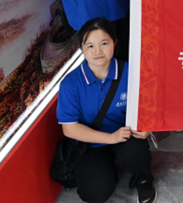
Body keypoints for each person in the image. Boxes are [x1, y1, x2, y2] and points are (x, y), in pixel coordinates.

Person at [57, 18, 157, 203]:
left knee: (135, 152)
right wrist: (110, 138)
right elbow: (69, 128)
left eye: (104, 43)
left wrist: (147, 127)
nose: (97, 51)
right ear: (81, 49)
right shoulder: (70, 83)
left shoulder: (132, 72)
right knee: (93, 194)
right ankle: (106, 169)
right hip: (92, 142)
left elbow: (149, 105)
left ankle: (143, 179)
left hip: (126, 135)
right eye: (90, 46)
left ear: (115, 43)